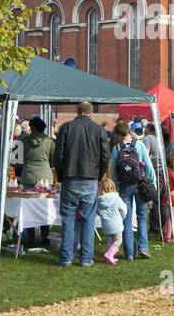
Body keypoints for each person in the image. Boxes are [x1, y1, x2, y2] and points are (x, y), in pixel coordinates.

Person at [54, 101, 111, 267]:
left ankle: (66, 257)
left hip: (71, 177)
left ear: (77, 111)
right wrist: (98, 175)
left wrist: (61, 175)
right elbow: (105, 155)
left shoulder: (66, 128)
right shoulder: (98, 129)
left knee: (68, 219)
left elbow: (58, 155)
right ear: (91, 113)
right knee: (88, 220)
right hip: (90, 178)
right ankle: (86, 259)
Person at [109, 115, 157, 260]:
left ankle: (129, 253)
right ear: (130, 131)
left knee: (127, 219)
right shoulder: (139, 145)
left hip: (124, 186)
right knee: (142, 217)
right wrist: (153, 183)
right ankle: (143, 248)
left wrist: (115, 185)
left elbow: (113, 171)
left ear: (118, 134)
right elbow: (148, 165)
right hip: (140, 183)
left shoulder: (117, 148)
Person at [19, 116, 56, 247]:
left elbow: (20, 159)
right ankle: (45, 236)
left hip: (29, 175)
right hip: (45, 176)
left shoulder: (24, 141)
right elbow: (53, 160)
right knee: (44, 208)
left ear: (32, 127)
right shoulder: (50, 141)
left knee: (29, 207)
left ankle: (30, 236)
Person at [96, 177, 127, 265]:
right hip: (116, 223)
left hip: (106, 224)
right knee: (118, 240)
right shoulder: (116, 198)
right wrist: (122, 217)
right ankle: (110, 254)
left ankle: (109, 256)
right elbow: (123, 209)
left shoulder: (99, 200)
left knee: (109, 240)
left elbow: (98, 211)